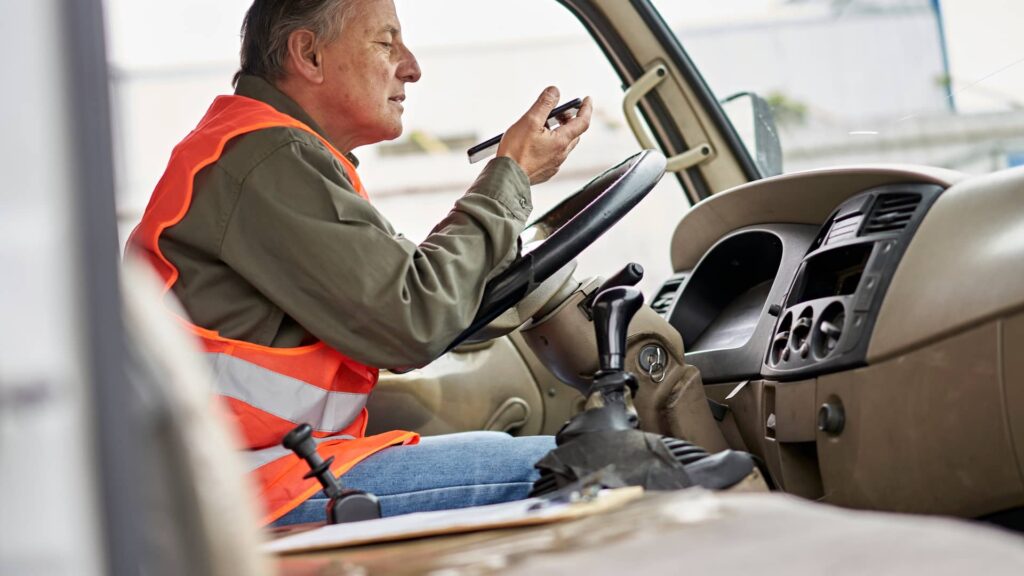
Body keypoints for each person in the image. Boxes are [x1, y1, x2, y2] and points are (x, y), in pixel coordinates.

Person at [127, 0, 593, 526]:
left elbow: (409, 290)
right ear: (310, 54)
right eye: (385, 42)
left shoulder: (268, 153)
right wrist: (509, 176)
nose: (411, 66)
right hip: (250, 489)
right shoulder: (264, 160)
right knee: (583, 467)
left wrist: (505, 199)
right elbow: (412, 320)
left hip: (254, 471)